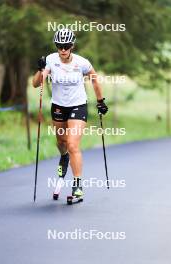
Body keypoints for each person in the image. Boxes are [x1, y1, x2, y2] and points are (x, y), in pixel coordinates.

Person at [32, 29, 108, 198]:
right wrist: (39, 69)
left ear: (72, 46)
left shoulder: (82, 63)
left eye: (66, 46)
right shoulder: (51, 60)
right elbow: (36, 84)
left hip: (78, 106)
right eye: (60, 46)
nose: (63, 49)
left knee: (73, 144)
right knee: (61, 142)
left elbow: (94, 79)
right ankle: (64, 157)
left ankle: (77, 184)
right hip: (58, 106)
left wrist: (100, 101)